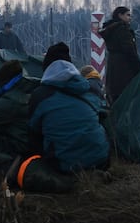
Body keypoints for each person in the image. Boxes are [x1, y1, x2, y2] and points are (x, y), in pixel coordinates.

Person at [28, 45, 110, 173]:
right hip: (100, 160)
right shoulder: (89, 89)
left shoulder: (40, 95)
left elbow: (34, 128)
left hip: (64, 165)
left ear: (46, 69)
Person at [99, 6, 140, 105]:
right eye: (128, 15)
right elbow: (129, 50)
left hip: (113, 67)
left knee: (115, 97)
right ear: (120, 15)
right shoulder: (122, 30)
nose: (130, 18)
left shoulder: (110, 30)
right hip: (125, 69)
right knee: (127, 97)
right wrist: (138, 67)